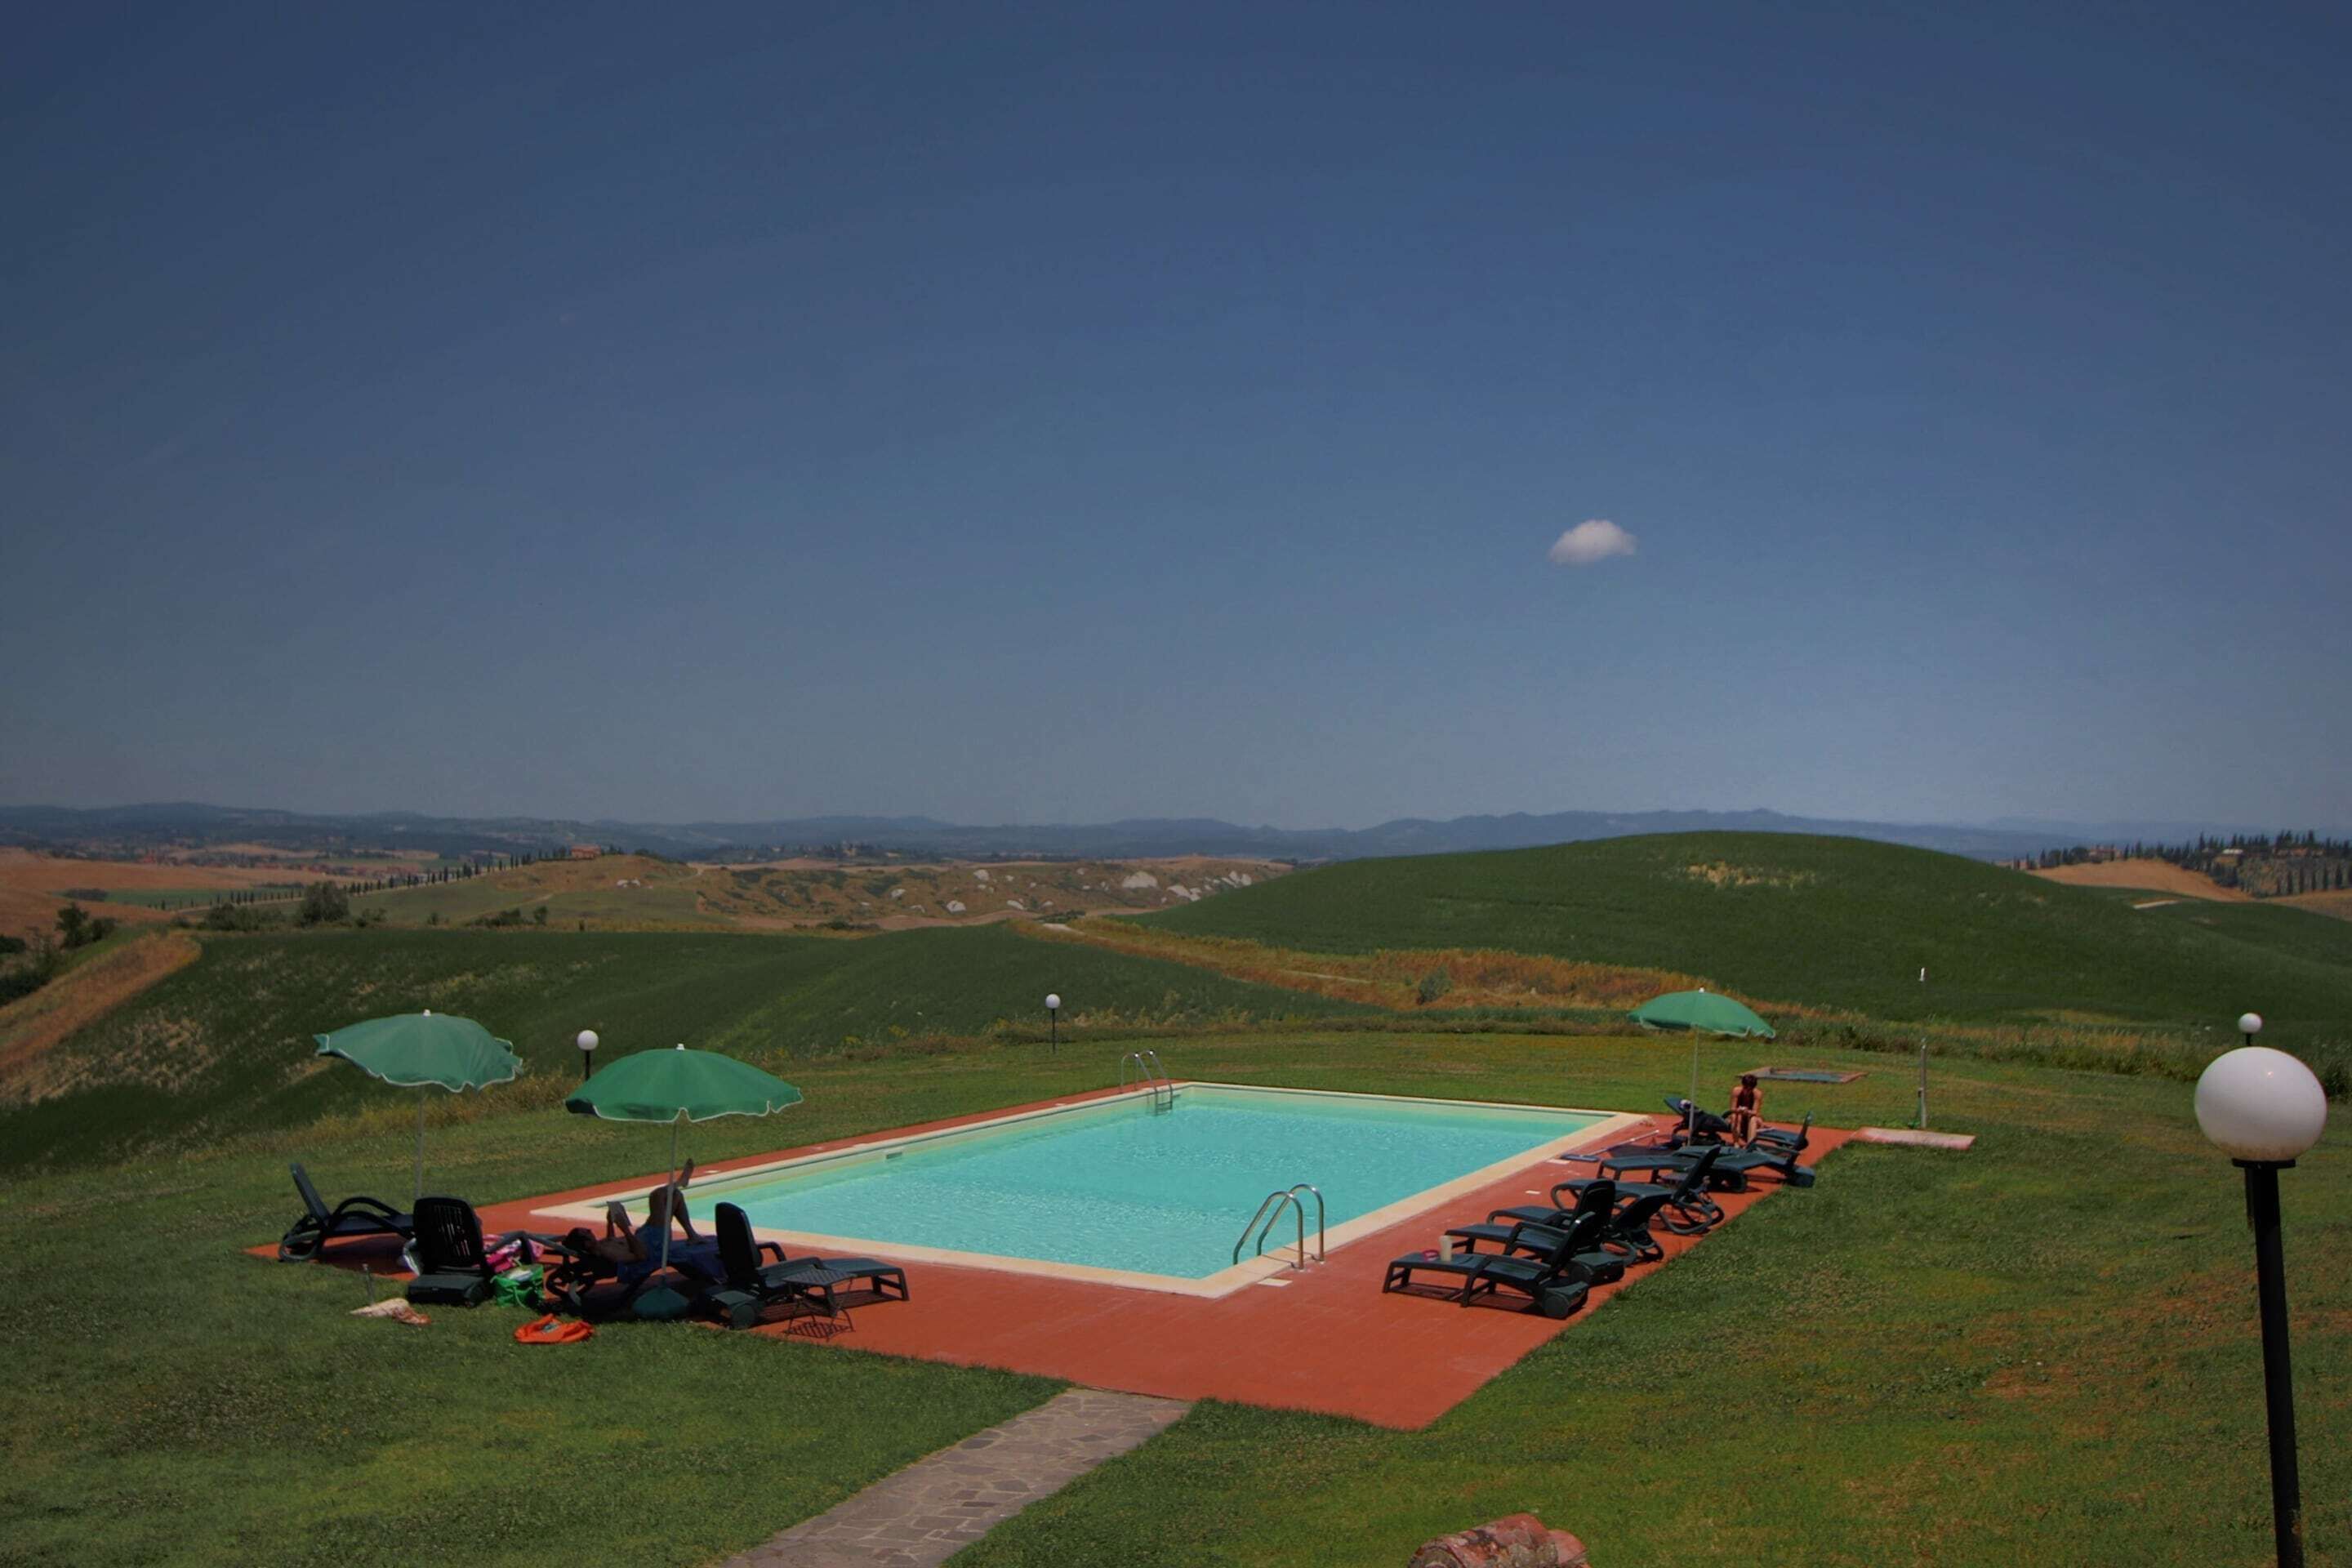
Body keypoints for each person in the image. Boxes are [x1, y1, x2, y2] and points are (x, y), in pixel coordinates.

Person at [1728, 1073, 1763, 1145]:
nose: (1747, 1091)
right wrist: (1739, 1110)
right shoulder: (1736, 1091)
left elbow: (1755, 1112)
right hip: (1739, 1116)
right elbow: (1732, 1109)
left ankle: (1749, 1145)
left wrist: (1747, 1111)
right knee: (1735, 1116)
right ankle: (1736, 1143)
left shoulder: (1757, 1094)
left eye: (1750, 1089)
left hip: (1750, 1117)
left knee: (1754, 1119)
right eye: (1745, 1088)